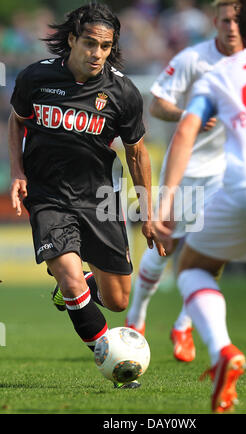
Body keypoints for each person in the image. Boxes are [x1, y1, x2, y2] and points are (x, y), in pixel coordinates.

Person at [8, 2, 164, 389]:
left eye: (105, 47)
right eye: (90, 44)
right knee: (71, 279)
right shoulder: (36, 78)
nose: (97, 53)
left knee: (118, 299)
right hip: (49, 197)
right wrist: (17, 171)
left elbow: (137, 151)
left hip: (100, 200)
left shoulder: (122, 92)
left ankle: (73, 290)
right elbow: (17, 120)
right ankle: (115, 361)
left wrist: (147, 212)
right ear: (73, 40)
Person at [154, 0, 246, 413]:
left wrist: (165, 201)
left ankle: (221, 352)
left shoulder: (222, 71)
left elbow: (185, 131)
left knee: (193, 268)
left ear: (242, 35)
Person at [125, 0, 243, 363]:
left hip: (228, 172)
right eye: (225, 20)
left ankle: (183, 324)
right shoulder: (194, 58)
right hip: (186, 169)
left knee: (214, 251)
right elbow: (158, 103)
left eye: (238, 21)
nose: (232, 28)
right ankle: (137, 317)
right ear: (215, 21)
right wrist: (187, 114)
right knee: (165, 248)